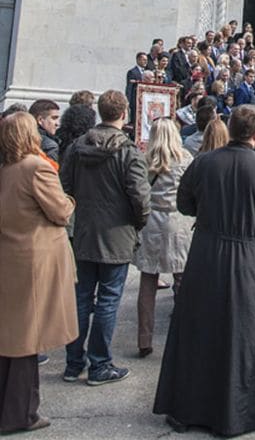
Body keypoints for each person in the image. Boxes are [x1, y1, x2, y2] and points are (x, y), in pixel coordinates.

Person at [153, 105, 255, 436]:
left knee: (197, 329)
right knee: (240, 333)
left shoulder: (204, 162)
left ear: (231, 129)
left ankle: (187, 408)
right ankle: (236, 413)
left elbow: (185, 203)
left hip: (207, 251)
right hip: (246, 255)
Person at [60, 89, 150, 385]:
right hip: (117, 233)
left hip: (84, 231)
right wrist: (138, 223)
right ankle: (99, 364)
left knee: (81, 298)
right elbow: (140, 197)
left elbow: (65, 186)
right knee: (108, 300)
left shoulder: (77, 147)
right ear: (124, 113)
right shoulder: (129, 151)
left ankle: (74, 362)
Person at [0, 112, 77, 433]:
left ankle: (13, 409)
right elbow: (60, 211)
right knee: (26, 341)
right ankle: (22, 413)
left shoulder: (6, 169)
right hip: (35, 260)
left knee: (11, 338)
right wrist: (70, 200)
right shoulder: (36, 167)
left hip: (11, 257)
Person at [133, 118, 193, 357]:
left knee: (148, 281)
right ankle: (185, 335)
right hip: (177, 221)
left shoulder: (144, 159)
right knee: (182, 279)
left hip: (151, 221)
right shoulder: (185, 160)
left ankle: (144, 338)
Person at [28, 100, 60, 164]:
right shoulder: (50, 146)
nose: (57, 124)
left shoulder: (21, 139)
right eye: (54, 118)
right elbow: (50, 169)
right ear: (40, 120)